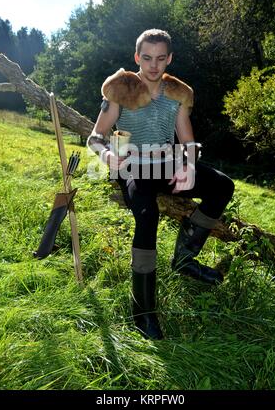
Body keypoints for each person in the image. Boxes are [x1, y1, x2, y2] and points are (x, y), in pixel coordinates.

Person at [87, 29, 235, 340]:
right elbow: (95, 137)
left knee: (222, 186)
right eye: (147, 58)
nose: (153, 66)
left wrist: (190, 167)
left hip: (167, 164)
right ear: (137, 57)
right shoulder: (120, 89)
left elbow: (188, 139)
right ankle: (143, 313)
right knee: (147, 216)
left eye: (160, 58)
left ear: (169, 59)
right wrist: (106, 155)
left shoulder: (178, 94)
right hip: (133, 168)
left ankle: (185, 257)